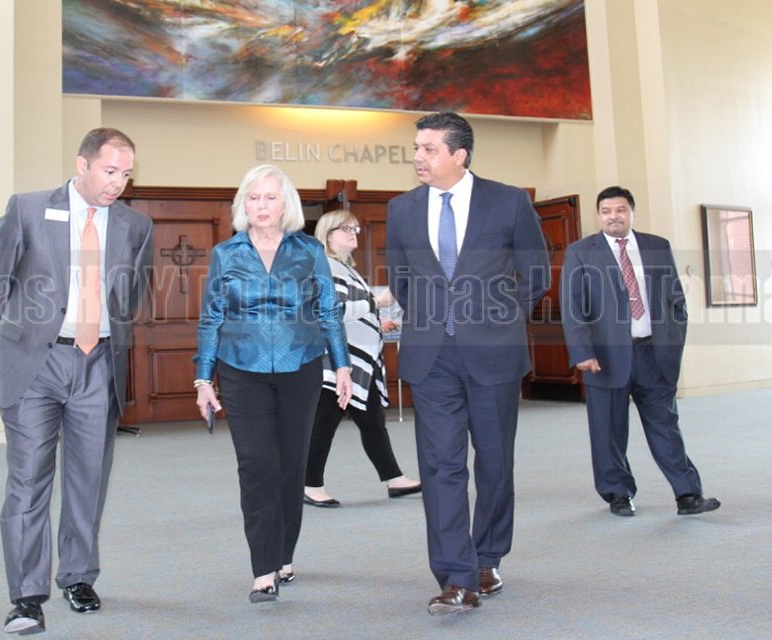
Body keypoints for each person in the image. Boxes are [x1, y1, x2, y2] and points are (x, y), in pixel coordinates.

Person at [0, 127, 153, 635]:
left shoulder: (135, 225)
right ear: (83, 165)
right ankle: (26, 597)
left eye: (126, 174)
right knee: (29, 481)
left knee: (87, 479)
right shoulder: (28, 209)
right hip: (36, 365)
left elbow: (132, 294)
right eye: (110, 171)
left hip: (98, 364)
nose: (118, 182)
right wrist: (29, 329)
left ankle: (78, 576)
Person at [385, 112, 550, 616]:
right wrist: (434, 320)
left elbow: (535, 273)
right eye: (417, 147)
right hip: (431, 356)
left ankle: (488, 556)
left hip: (494, 353)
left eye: (429, 149)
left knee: (494, 462)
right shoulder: (401, 209)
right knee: (440, 465)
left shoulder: (509, 201)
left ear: (459, 155)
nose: (418, 157)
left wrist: (498, 319)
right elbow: (402, 280)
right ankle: (456, 576)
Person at [193, 164, 352, 603]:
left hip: (300, 367)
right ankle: (263, 568)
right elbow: (211, 317)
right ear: (243, 204)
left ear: (286, 205)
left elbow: (327, 310)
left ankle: (284, 554)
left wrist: (341, 365)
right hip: (242, 369)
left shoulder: (308, 250)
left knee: (290, 465)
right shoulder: (226, 253)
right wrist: (203, 377)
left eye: (270, 197)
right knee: (256, 463)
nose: (261, 206)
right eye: (254, 197)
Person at [560, 186, 720, 518]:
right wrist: (582, 352)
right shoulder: (580, 252)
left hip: (653, 354)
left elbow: (676, 301)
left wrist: (672, 344)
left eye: (620, 210)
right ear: (598, 215)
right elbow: (573, 308)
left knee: (666, 425)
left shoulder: (657, 246)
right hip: (604, 358)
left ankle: (688, 494)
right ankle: (618, 493)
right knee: (608, 431)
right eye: (606, 211)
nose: (613, 217)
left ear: (632, 212)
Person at [303, 209, 421, 508]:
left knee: (372, 422)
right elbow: (332, 311)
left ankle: (394, 478)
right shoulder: (326, 266)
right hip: (338, 362)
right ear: (328, 235)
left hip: (361, 362)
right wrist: (376, 302)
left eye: (355, 228)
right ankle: (309, 485)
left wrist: (376, 320)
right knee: (324, 423)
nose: (354, 233)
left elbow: (354, 311)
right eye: (346, 228)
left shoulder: (346, 268)